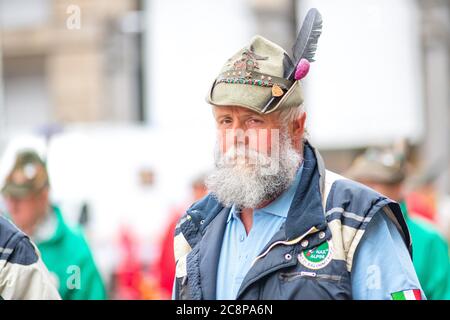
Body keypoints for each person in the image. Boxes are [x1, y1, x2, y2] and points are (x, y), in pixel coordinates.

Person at [172, 9, 424, 300]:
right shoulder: (195, 227)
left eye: (254, 120)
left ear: (296, 126)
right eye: (226, 121)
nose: (237, 138)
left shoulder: (353, 220)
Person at [346, 146, 450, 300]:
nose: (364, 190)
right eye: (359, 182)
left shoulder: (429, 239)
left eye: (374, 183)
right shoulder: (344, 231)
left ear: (399, 187)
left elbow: (442, 293)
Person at [1, 150, 106, 300]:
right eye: (8, 197)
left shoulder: (75, 250)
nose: (12, 206)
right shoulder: (3, 241)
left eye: (20, 197)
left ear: (43, 196)